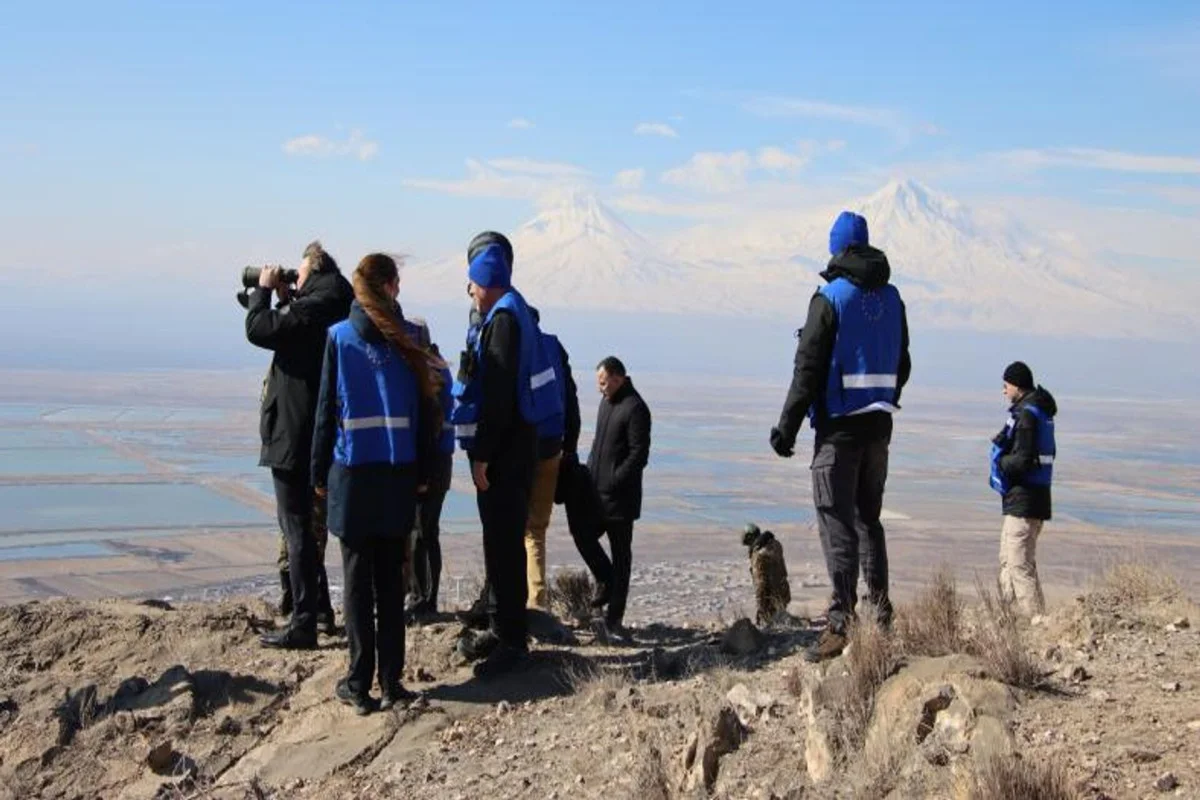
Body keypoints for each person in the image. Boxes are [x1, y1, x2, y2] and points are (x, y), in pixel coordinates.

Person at [769, 211, 911, 663]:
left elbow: (807, 368)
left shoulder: (829, 299)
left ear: (836, 249)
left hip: (839, 430)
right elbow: (903, 363)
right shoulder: (893, 298)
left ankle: (839, 624)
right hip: (880, 427)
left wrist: (786, 428)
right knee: (869, 518)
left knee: (836, 521)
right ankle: (881, 615)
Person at [311, 253, 442, 714]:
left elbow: (326, 411)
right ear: (389, 287)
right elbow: (427, 413)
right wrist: (424, 473)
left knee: (356, 583)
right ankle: (391, 682)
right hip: (398, 476)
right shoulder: (407, 340)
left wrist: (316, 478)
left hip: (352, 477)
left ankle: (358, 683)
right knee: (391, 583)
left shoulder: (339, 339)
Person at [451, 242, 562, 678]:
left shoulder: (503, 322)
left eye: (474, 284)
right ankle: (501, 628)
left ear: (487, 283)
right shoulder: (514, 312)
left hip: (505, 451)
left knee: (504, 544)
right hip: (519, 446)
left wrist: (481, 456)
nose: (471, 292)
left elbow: (496, 398)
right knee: (500, 543)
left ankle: (512, 641)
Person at [246, 241, 352, 650]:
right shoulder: (333, 300)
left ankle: (304, 621)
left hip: (296, 432)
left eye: (300, 272)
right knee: (306, 527)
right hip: (315, 431)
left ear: (315, 268)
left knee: (296, 528)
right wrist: (289, 298)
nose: (295, 276)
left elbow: (260, 330)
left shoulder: (318, 305)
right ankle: (318, 610)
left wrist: (264, 291)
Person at [584, 356, 652, 636]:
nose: (601, 389)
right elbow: (598, 444)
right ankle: (605, 579)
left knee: (622, 557)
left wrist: (614, 479)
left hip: (620, 499)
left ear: (617, 377)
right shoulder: (606, 403)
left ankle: (614, 619)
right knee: (584, 536)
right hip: (596, 494)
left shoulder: (635, 408)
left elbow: (639, 455)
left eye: (603, 383)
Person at [990, 361, 1057, 617]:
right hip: (1025, 501)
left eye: (1005, 385)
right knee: (1009, 560)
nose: (1003, 391)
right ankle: (1008, 618)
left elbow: (1023, 460)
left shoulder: (1027, 415)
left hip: (1025, 501)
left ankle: (1036, 621)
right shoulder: (1038, 412)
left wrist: (1001, 462)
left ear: (1016, 385)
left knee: (1019, 565)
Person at [524, 307, 581, 610]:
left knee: (512, 525)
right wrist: (568, 446)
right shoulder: (554, 348)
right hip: (551, 447)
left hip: (519, 449)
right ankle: (537, 600)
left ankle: (514, 599)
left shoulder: (515, 344)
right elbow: (570, 399)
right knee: (536, 529)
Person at [409, 342, 454, 620]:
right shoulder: (440, 370)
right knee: (426, 532)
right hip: (439, 462)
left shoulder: (432, 375)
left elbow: (430, 427)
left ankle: (423, 600)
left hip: (431, 464)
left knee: (422, 533)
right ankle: (424, 598)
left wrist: (422, 474)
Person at [742, 523, 791, 626]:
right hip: (783, 594)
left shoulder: (758, 554)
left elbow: (761, 584)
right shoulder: (774, 545)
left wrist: (761, 609)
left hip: (770, 600)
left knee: (772, 627)